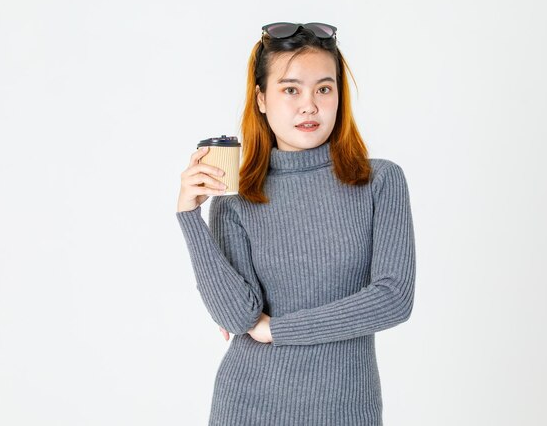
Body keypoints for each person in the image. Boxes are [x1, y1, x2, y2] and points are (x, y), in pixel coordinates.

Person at [175, 22, 416, 425]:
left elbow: (393, 299)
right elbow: (238, 318)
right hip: (248, 406)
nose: (310, 105)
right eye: (291, 89)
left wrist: (279, 330)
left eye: (324, 88)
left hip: (347, 410)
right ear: (262, 99)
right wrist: (189, 217)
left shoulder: (380, 182)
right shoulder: (238, 198)